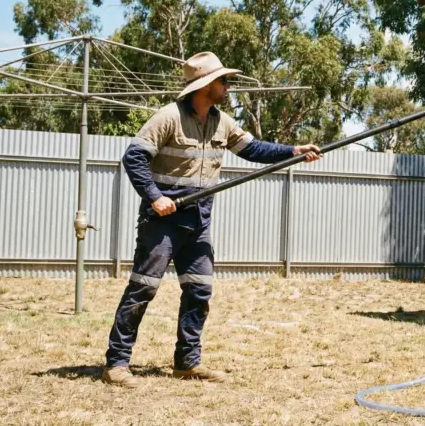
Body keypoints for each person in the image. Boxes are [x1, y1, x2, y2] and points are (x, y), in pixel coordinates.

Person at [102, 51, 321, 388]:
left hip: (199, 220)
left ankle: (187, 362)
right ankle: (116, 364)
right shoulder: (168, 118)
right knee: (143, 289)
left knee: (199, 291)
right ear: (205, 85)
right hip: (163, 222)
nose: (227, 85)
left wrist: (294, 151)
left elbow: (254, 150)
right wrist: (155, 197)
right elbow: (134, 158)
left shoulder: (223, 122)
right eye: (224, 80)